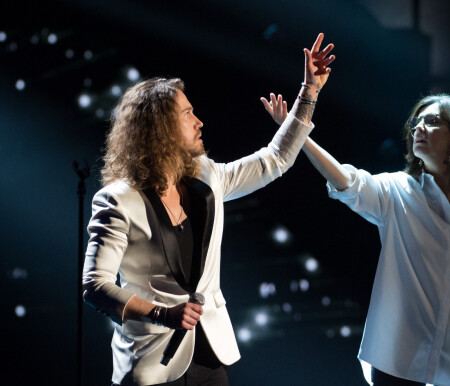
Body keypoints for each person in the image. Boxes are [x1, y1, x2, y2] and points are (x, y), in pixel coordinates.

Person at [82, 33, 335, 386]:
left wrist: (309, 93)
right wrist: (162, 314)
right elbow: (95, 286)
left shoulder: (206, 176)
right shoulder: (118, 199)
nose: (199, 122)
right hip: (153, 362)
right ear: (161, 128)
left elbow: (274, 159)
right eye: (188, 114)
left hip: (210, 355)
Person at [261, 93, 450, 386]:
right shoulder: (398, 190)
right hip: (398, 363)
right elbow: (347, 181)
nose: (419, 127)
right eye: (416, 122)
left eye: (432, 121)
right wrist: (298, 133)